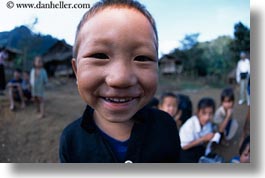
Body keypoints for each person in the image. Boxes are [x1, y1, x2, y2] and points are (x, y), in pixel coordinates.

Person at [59, 0, 181, 163]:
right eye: (99, 56)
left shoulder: (166, 126)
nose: (120, 78)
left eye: (142, 58)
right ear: (76, 70)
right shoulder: (71, 140)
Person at [179, 97, 215, 163]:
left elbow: (205, 142)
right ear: (198, 112)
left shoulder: (208, 125)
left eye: (210, 114)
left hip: (197, 147)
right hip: (185, 150)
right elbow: (183, 147)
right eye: (204, 113)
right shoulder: (190, 124)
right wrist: (203, 139)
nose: (207, 117)